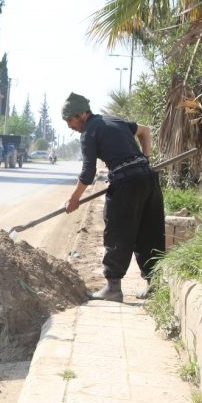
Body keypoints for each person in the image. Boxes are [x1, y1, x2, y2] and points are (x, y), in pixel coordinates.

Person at [62, 92, 165, 301]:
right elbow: (145, 131)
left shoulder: (89, 132)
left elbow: (88, 172)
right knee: (149, 231)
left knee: (118, 232)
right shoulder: (114, 120)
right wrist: (145, 158)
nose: (69, 126)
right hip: (148, 178)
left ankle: (113, 288)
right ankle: (154, 284)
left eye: (70, 120)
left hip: (126, 183)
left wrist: (74, 199)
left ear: (82, 114)